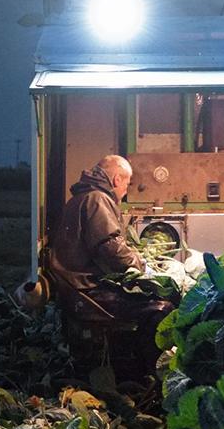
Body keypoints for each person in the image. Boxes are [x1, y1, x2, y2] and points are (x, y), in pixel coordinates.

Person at [45, 154, 173, 375]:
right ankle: (149, 375)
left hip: (75, 290)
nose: (126, 190)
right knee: (162, 308)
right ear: (116, 180)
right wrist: (140, 264)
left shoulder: (83, 197)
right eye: (127, 183)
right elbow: (110, 248)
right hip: (87, 291)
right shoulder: (97, 199)